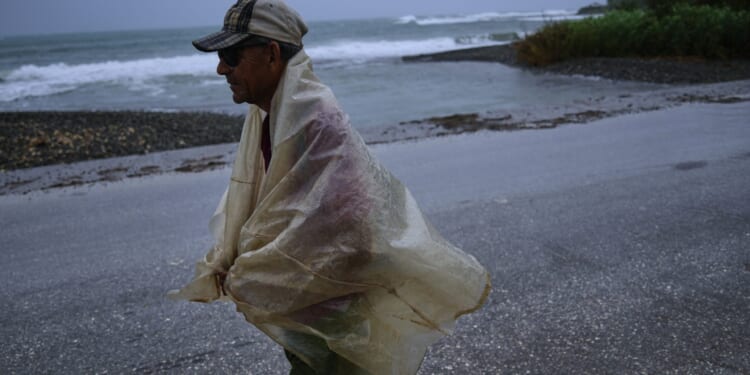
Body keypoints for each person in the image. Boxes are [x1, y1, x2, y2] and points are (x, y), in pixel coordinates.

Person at [170, 1, 491, 374]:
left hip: (336, 318)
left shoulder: (316, 122)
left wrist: (259, 270)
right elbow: (280, 210)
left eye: (232, 55)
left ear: (272, 54)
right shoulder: (276, 117)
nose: (221, 68)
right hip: (311, 315)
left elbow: (356, 231)